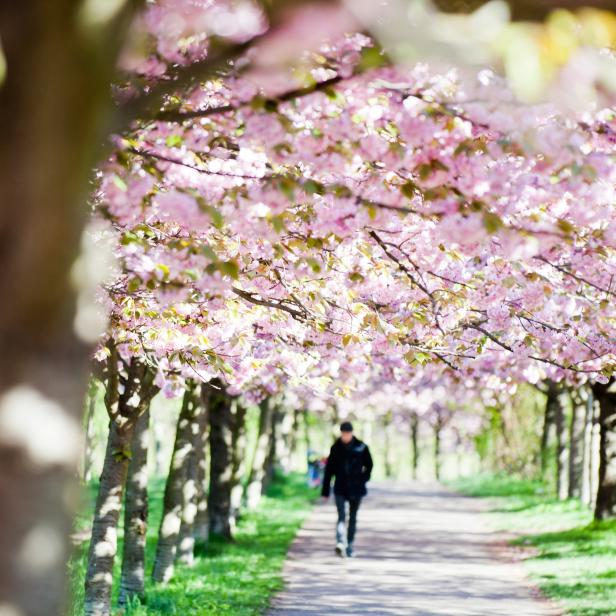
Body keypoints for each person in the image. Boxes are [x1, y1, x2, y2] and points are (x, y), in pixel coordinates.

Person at [321, 421, 373, 557]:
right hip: (340, 487)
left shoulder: (361, 447)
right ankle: (340, 542)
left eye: (348, 433)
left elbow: (369, 465)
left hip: (356, 488)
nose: (345, 436)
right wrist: (325, 491)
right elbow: (329, 471)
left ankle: (349, 544)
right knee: (341, 516)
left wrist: (363, 479)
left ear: (351, 433)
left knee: (353, 517)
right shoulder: (335, 448)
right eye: (343, 433)